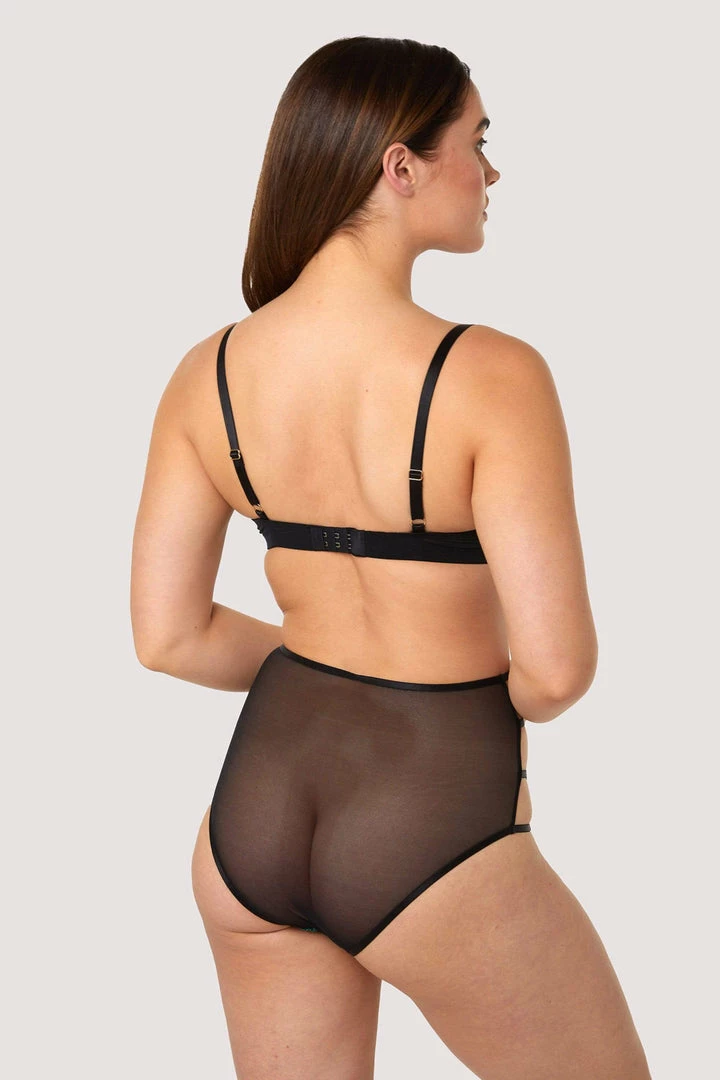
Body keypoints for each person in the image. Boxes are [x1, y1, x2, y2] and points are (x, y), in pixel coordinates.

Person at [130, 35, 652, 1080]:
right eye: (479, 141)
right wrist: (431, 688)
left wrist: (334, 665)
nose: (493, 172)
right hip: (432, 818)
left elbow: (169, 637)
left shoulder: (208, 373)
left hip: (255, 818)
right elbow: (555, 673)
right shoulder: (493, 374)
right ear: (400, 165)